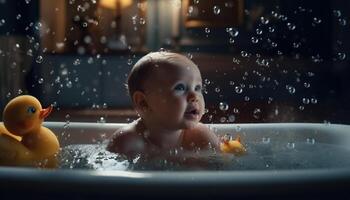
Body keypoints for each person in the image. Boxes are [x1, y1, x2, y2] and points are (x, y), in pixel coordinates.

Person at [107, 52, 220, 158]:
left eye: (197, 88)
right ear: (143, 103)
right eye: (180, 88)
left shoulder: (200, 137)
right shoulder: (128, 142)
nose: (194, 97)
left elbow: (223, 169)